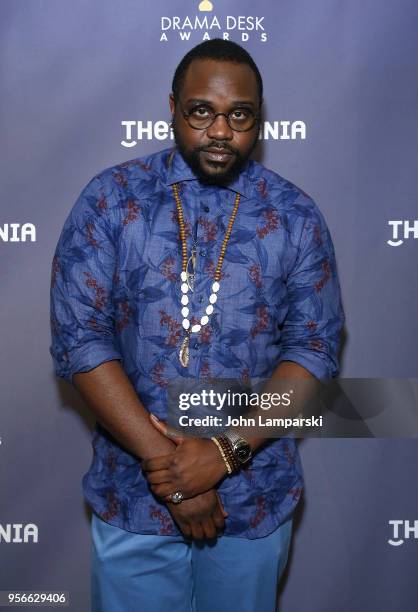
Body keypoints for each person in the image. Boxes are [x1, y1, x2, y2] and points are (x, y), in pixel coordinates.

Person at [50, 39, 344, 612]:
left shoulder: (295, 216)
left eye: (239, 115)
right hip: (135, 497)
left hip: (254, 498)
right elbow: (80, 340)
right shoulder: (111, 201)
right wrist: (178, 477)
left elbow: (313, 353)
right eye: (201, 111)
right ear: (172, 107)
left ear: (259, 118)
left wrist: (225, 454)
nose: (219, 131)